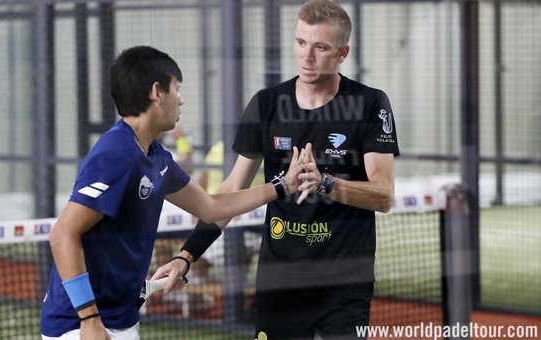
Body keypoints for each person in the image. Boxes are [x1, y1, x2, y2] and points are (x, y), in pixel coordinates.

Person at [154, 1, 400, 339]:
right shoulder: (267, 103)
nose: (307, 56)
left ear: (342, 53)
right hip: (279, 282)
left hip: (345, 283)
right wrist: (186, 256)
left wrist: (327, 184)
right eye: (300, 43)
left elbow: (384, 196)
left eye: (320, 47)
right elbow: (229, 191)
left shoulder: (370, 103)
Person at [39, 45, 309, 340]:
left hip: (122, 318)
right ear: (157, 92)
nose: (180, 99)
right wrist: (89, 320)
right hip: (78, 325)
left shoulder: (157, 156)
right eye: (176, 88)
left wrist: (282, 187)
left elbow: (210, 207)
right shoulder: (115, 154)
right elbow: (62, 234)